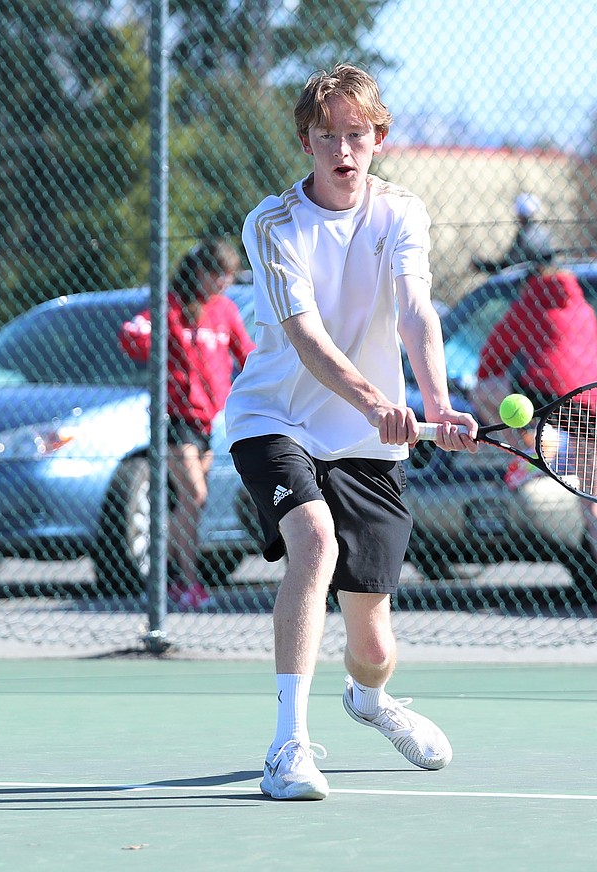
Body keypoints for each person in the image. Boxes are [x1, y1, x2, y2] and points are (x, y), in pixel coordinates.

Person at [225, 63, 477, 801]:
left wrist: (440, 402)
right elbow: (304, 337)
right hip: (275, 420)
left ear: (378, 139)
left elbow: (416, 313)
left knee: (373, 645)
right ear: (306, 142)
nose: (343, 150)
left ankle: (368, 700)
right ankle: (288, 746)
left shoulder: (402, 213)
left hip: (368, 443)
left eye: (356, 135)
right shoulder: (272, 224)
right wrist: (376, 400)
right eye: (327, 136)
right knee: (314, 542)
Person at [471, 255, 597, 614]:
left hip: (554, 394)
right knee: (595, 500)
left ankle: (530, 458)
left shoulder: (530, 302)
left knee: (485, 391)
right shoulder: (583, 307)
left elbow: (491, 359)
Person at [119, 239, 255, 610]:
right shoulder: (171, 308)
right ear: (200, 273)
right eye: (218, 275)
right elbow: (133, 335)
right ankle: (186, 581)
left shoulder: (225, 311)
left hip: (207, 420)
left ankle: (171, 573)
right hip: (175, 419)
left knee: (188, 504)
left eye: (229, 276)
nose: (224, 283)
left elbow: (247, 353)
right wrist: (142, 335)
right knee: (194, 495)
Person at [471, 192, 555, 273]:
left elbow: (508, 265)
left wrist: (481, 265)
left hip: (527, 280)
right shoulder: (544, 231)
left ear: (519, 215)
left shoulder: (525, 234)